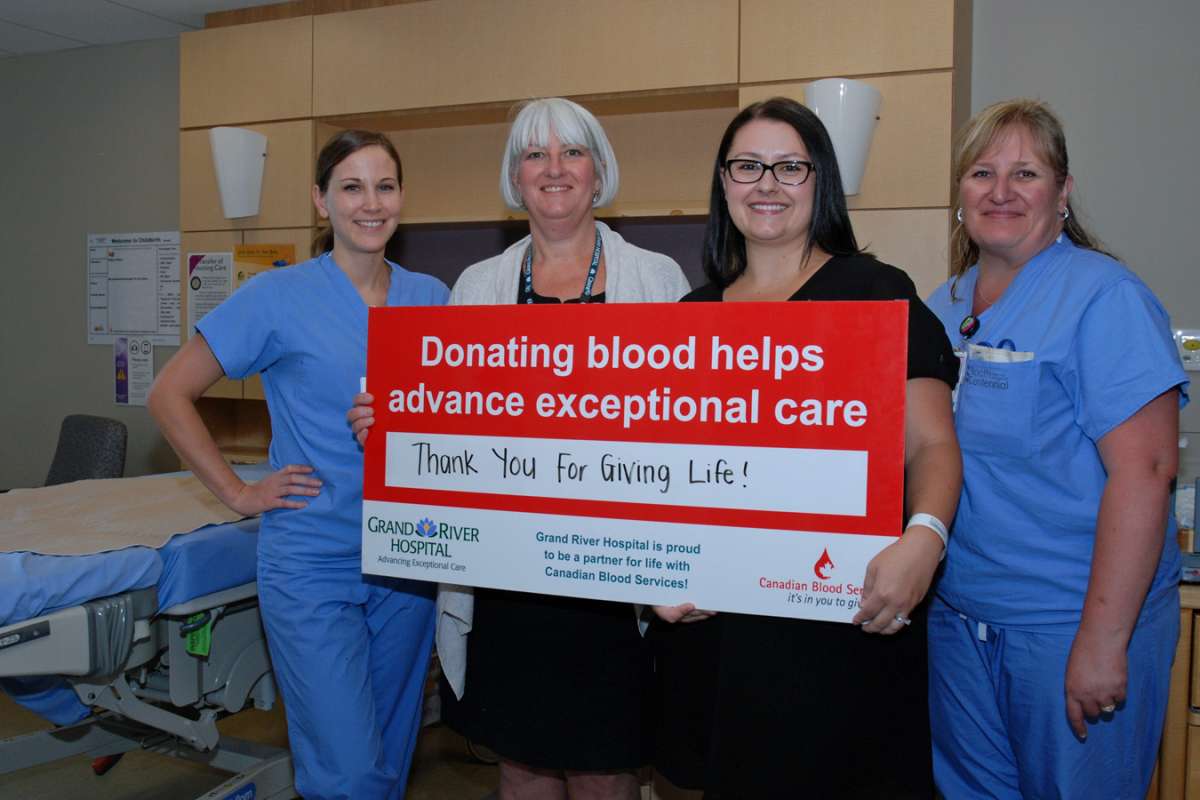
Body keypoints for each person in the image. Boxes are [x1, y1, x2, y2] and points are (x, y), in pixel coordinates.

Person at [350, 98, 690, 799]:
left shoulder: (659, 283)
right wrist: (393, 427)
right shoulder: (477, 289)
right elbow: (448, 426)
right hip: (511, 580)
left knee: (608, 769)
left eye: (573, 152)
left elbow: (694, 430)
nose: (555, 168)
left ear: (599, 172)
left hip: (616, 579)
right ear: (516, 176)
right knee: (522, 767)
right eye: (536, 154)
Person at [651, 97, 962, 799]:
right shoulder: (689, 318)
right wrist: (654, 570)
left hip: (842, 626)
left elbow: (934, 446)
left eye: (790, 166)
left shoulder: (878, 295)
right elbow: (663, 475)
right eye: (748, 166)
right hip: (718, 634)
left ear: (820, 179)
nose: (767, 183)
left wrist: (925, 539)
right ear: (723, 183)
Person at [148, 130, 448, 800]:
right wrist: (236, 492)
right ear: (321, 201)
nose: (370, 203)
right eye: (351, 186)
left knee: (390, 758)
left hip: (409, 559)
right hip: (314, 558)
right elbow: (169, 392)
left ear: (401, 197)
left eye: (385, 186)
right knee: (346, 773)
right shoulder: (277, 297)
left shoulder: (434, 298)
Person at [924, 99, 1188, 799]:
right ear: (960, 192)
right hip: (960, 621)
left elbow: (1149, 471)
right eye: (982, 172)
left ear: (1062, 192)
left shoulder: (1107, 298)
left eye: (1026, 173)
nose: (1001, 191)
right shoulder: (940, 307)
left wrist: (1103, 644)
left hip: (1070, 624)